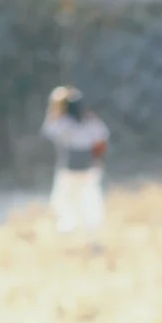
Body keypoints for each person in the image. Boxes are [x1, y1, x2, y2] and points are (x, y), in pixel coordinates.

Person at [41, 87, 109, 235]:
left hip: (71, 167)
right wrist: (98, 159)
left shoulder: (63, 122)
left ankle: (76, 227)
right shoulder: (91, 122)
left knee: (68, 199)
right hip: (85, 166)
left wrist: (55, 107)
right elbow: (101, 139)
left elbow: (49, 129)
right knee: (87, 197)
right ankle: (85, 227)